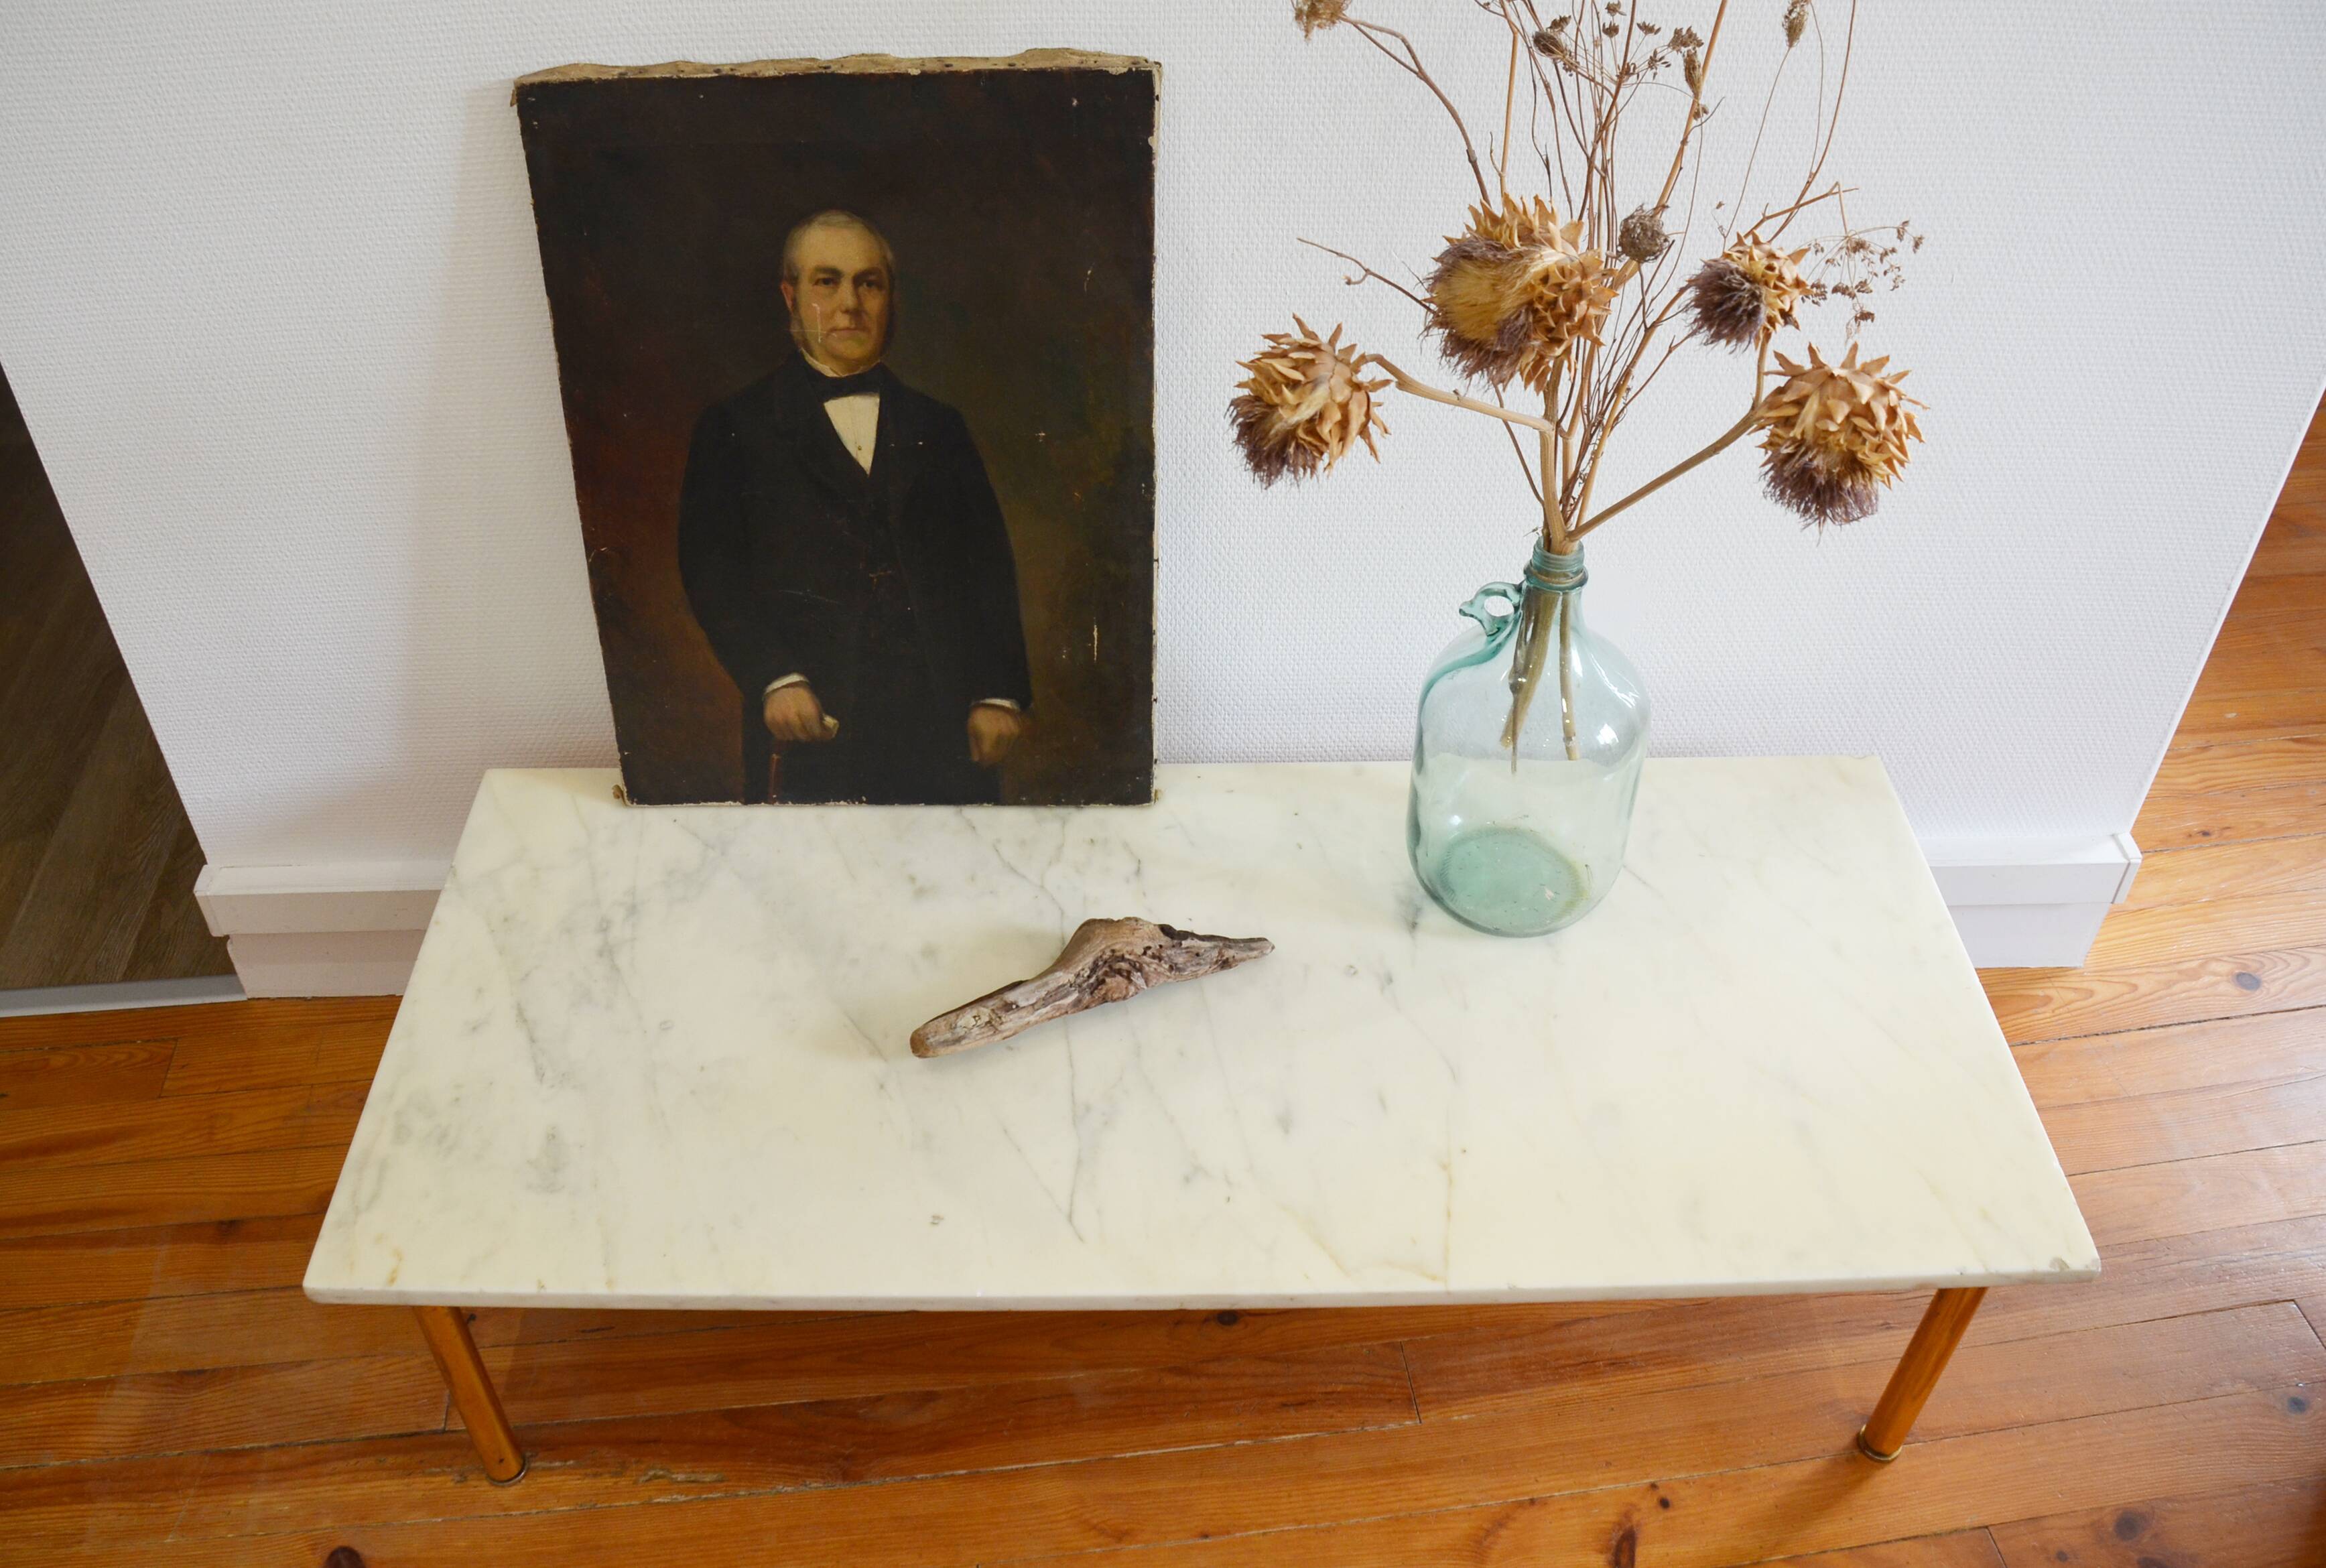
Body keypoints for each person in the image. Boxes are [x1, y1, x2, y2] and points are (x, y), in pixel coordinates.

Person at [678, 210, 1033, 803]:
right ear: (790, 296)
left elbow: (987, 565)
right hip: (810, 728)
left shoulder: (940, 427)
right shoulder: (734, 426)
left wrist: (996, 693)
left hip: (945, 732)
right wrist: (775, 680)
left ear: (890, 298)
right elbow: (711, 572)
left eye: (868, 283)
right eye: (827, 281)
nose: (850, 303)